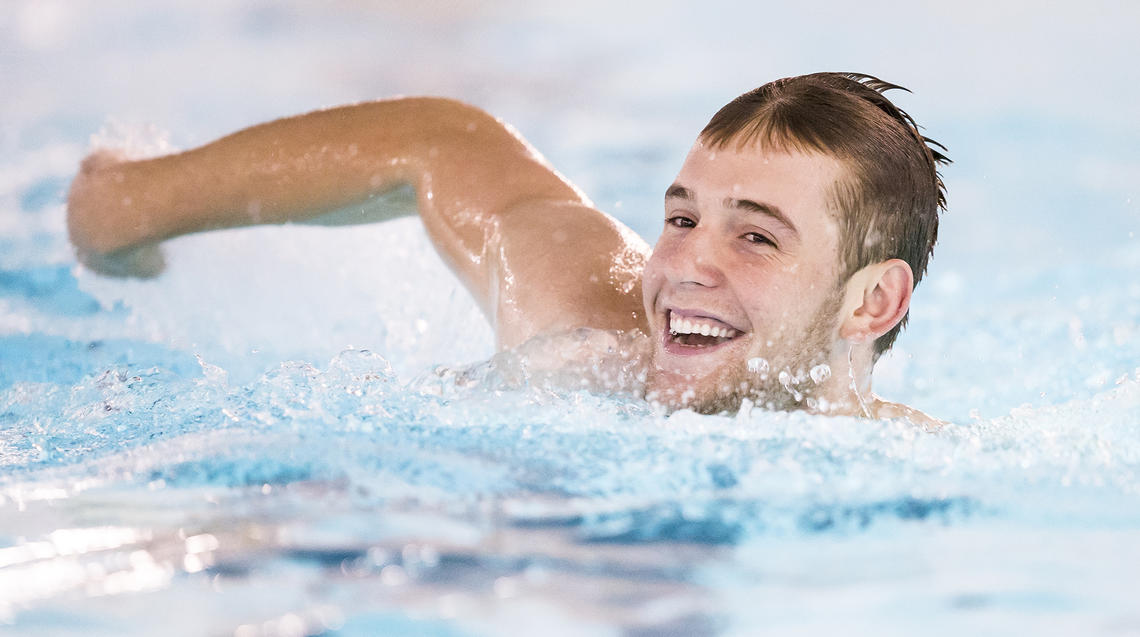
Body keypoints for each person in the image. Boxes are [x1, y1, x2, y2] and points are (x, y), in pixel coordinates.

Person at [66, 72, 949, 426]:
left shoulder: (923, 474)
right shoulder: (584, 336)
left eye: (756, 235)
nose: (685, 264)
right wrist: (125, 207)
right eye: (681, 218)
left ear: (871, 302)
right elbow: (444, 140)